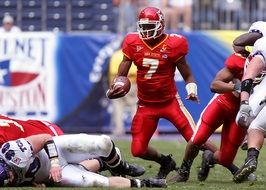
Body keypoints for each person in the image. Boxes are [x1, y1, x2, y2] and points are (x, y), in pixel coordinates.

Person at [106, 6, 217, 179]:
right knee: (137, 150)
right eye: (143, 26)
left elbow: (187, 74)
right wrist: (112, 90)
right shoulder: (132, 42)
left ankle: (230, 163)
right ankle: (165, 162)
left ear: (160, 25)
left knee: (196, 139)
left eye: (150, 26)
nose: (145, 30)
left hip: (170, 102)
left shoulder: (174, 43)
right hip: (146, 105)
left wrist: (191, 89)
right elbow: (121, 76)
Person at [171, 44, 256, 182]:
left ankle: (209, 158)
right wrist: (236, 86)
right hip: (223, 104)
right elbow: (214, 85)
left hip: (241, 113)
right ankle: (183, 171)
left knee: (225, 158)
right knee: (197, 139)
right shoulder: (241, 61)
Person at [0, 133, 165, 188]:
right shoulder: (6, 181)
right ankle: (145, 183)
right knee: (97, 182)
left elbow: (45, 138)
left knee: (103, 143)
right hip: (57, 175)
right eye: (8, 181)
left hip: (57, 151)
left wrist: (55, 163)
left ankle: (121, 166)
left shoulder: (11, 152)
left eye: (9, 174)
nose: (11, 179)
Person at [232, 22, 266, 183]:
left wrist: (244, 101)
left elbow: (249, 75)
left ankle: (251, 158)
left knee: (248, 121)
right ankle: (250, 158)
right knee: (255, 126)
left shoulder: (262, 43)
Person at [109, 49, 137, 136]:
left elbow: (112, 72)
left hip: (117, 84)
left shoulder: (116, 55)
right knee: (134, 107)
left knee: (118, 108)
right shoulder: (132, 53)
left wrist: (112, 85)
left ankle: (119, 130)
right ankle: (136, 129)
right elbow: (134, 72)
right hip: (131, 83)